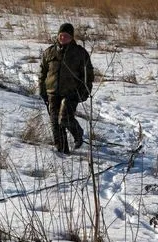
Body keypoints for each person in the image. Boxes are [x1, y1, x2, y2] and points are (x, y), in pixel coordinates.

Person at [39, 23, 94, 154]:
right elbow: (42, 73)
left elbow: (88, 75)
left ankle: (78, 133)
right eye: (61, 35)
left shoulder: (80, 53)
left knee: (64, 119)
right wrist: (42, 89)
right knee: (55, 123)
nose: (63, 38)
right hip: (52, 92)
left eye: (66, 36)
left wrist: (85, 92)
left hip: (71, 93)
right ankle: (62, 151)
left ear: (72, 37)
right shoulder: (49, 52)